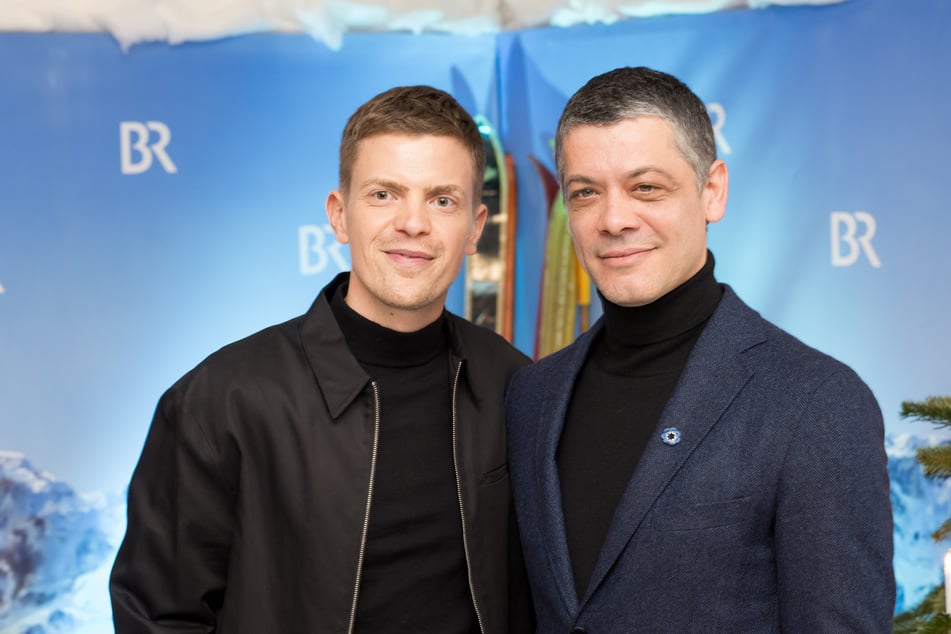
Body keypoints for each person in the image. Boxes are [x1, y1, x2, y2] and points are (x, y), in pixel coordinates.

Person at [110, 85, 533, 633]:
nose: (413, 223)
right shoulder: (221, 401)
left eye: (442, 199)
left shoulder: (514, 384)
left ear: (475, 228)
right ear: (339, 215)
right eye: (384, 194)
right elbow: (158, 616)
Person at [505, 66, 894, 632]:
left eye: (646, 188)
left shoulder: (816, 401)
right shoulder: (532, 395)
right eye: (586, 193)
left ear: (712, 191)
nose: (614, 219)